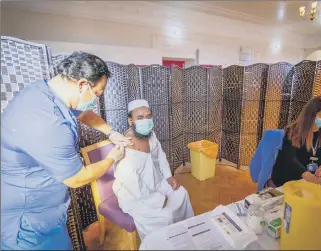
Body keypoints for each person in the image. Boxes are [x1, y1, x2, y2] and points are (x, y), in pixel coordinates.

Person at [1, 52, 132, 250]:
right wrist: (112, 158)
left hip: (48, 212)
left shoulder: (45, 91)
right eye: (97, 94)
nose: (97, 100)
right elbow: (76, 178)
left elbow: (85, 114)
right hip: (29, 223)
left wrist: (111, 132)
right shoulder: (47, 122)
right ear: (82, 85)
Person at [112, 99, 194, 239]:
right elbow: (132, 185)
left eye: (148, 116)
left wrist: (168, 177)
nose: (146, 121)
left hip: (156, 181)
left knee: (181, 192)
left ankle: (185, 233)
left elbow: (160, 156)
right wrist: (160, 198)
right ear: (130, 121)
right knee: (166, 215)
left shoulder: (150, 134)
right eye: (140, 117)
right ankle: (166, 243)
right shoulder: (126, 145)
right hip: (135, 196)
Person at [271, 96, 321, 187]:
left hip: (314, 177)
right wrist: (307, 175)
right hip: (289, 178)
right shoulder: (293, 130)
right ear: (311, 115)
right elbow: (290, 159)